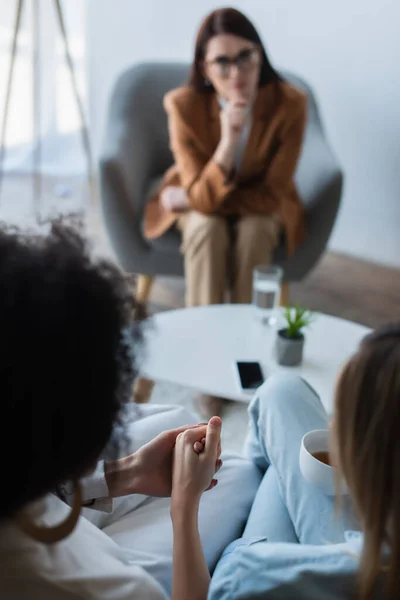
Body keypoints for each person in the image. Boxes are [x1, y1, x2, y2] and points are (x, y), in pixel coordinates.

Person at [0, 223, 261, 600]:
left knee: (178, 423)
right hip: (86, 549)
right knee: (241, 473)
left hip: (49, 512)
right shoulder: (120, 590)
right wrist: (184, 508)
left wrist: (127, 473)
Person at [144, 7, 307, 417]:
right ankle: (205, 360)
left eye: (246, 56)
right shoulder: (182, 105)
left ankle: (248, 352)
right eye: (222, 60)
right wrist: (229, 139)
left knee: (253, 230)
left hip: (258, 205)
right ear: (204, 67)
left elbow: (271, 193)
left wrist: (193, 197)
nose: (236, 71)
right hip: (205, 205)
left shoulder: (290, 103)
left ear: (260, 56)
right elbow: (202, 194)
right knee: (206, 229)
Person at [207, 326, 400, 599]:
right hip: (370, 539)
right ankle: (257, 473)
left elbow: (215, 589)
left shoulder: (248, 575)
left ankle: (253, 478)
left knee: (282, 460)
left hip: (335, 566)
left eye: (345, 419)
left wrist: (183, 503)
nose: (331, 424)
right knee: (283, 389)